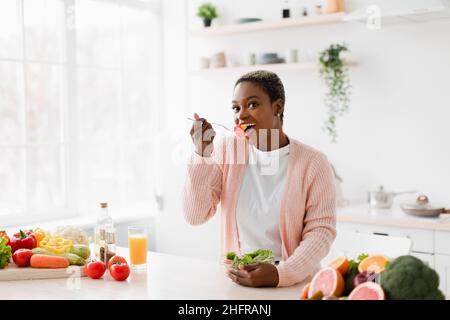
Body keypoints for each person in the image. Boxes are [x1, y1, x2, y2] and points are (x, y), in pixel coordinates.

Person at [183, 70, 336, 288]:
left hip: (294, 285)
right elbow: (195, 215)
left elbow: (320, 232)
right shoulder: (227, 151)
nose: (241, 115)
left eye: (252, 105)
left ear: (278, 107)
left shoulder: (313, 163)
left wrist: (281, 273)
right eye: (236, 108)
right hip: (237, 283)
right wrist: (202, 154)